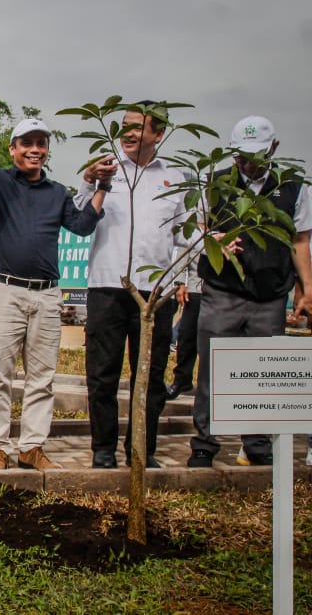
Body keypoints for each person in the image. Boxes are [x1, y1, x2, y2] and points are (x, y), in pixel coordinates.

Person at [0, 111, 111, 471]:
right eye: (27, 143)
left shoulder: (57, 192)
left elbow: (82, 226)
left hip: (48, 294)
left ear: (47, 150)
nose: (35, 150)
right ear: (13, 148)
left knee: (42, 377)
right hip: (4, 290)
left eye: (41, 144)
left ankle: (32, 446)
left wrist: (102, 186)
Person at [188, 115, 312, 467]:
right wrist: (212, 240)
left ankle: (257, 445)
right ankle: (204, 444)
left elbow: (299, 240)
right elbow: (196, 226)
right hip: (222, 289)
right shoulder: (214, 183)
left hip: (269, 293)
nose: (247, 164)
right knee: (212, 369)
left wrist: (307, 288)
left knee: (263, 372)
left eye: (256, 157)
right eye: (241, 156)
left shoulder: (293, 188)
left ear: (273, 149)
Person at [75, 103, 188, 469]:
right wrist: (90, 181)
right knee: (102, 374)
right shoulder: (106, 170)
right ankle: (103, 450)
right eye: (123, 125)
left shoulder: (176, 178)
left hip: (154, 295)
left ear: (158, 134)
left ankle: (142, 449)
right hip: (107, 287)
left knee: (151, 377)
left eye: (138, 127)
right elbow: (78, 217)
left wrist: (181, 279)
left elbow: (190, 236)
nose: (128, 132)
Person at [166, 264, 201, 400]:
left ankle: (208, 384)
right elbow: (183, 253)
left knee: (211, 342)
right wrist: (179, 284)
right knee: (186, 336)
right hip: (194, 290)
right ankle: (182, 380)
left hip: (221, 292)